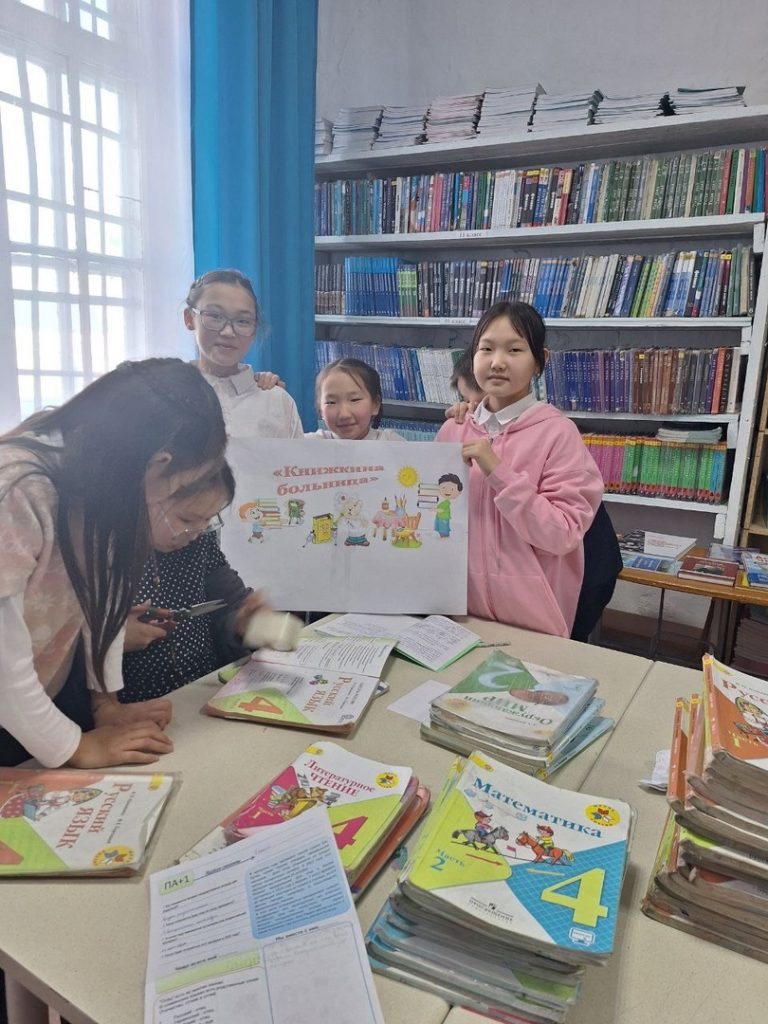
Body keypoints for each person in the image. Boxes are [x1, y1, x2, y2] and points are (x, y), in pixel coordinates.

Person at [0, 357, 228, 769]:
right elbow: (3, 669)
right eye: (187, 483)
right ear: (160, 464)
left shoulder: (105, 486)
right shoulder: (18, 487)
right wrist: (74, 747)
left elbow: (102, 603)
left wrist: (106, 703)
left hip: (30, 708)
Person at [436, 301, 603, 638]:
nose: (497, 362)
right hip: (459, 614)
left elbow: (563, 534)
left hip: (534, 621)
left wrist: (499, 472)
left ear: (540, 360)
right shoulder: (454, 429)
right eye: (486, 349)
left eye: (514, 350)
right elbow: (433, 517)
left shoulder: (558, 434)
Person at [121, 462, 267, 702]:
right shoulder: (101, 554)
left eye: (208, 520)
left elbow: (229, 600)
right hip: (134, 704)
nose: (197, 532)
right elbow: (64, 647)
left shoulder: (199, 541)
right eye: (187, 519)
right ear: (147, 496)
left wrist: (245, 619)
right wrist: (111, 642)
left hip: (205, 688)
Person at [184, 268, 304, 438]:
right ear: (189, 318)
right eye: (215, 316)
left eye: (242, 321)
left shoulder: (277, 401)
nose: (228, 332)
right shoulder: (166, 395)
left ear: (254, 330)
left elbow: (295, 455)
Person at [306, 358, 406, 440]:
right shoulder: (310, 444)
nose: (344, 415)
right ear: (320, 410)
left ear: (375, 405)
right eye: (331, 402)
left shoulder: (392, 442)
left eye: (354, 400)